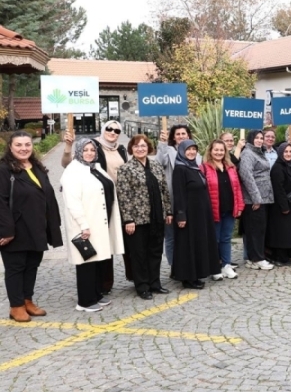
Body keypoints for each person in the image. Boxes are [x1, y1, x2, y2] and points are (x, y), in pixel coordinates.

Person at [0, 132, 63, 321]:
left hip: (37, 227)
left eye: (27, 144)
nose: (24, 148)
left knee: (32, 266)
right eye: (18, 145)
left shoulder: (36, 166)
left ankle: (27, 300)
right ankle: (16, 306)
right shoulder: (4, 169)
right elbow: (0, 201)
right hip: (15, 229)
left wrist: (52, 224)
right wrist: (6, 230)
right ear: (10, 147)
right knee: (16, 268)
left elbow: (47, 195)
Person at [62, 120, 128, 293]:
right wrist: (68, 147)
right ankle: (90, 295)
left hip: (111, 206)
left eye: (116, 130)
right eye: (109, 128)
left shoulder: (113, 155)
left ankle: (101, 288)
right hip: (91, 211)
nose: (113, 132)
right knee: (90, 254)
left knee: (105, 247)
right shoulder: (78, 166)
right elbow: (68, 165)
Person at [117, 135, 174, 300]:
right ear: (131, 149)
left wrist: (168, 212)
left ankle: (155, 283)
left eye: (143, 146)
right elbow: (124, 196)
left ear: (148, 148)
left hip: (157, 217)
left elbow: (164, 191)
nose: (140, 149)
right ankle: (142, 286)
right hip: (137, 220)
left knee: (155, 252)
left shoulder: (156, 166)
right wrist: (128, 220)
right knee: (139, 254)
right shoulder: (126, 169)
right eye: (136, 146)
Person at [171, 140, 219, 289]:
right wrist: (181, 215)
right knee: (188, 245)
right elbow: (178, 194)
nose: (191, 152)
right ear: (182, 151)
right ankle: (188, 278)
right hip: (188, 214)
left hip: (200, 214)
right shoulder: (180, 169)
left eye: (194, 149)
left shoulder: (194, 167)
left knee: (197, 244)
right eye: (188, 150)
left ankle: (196, 274)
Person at [200, 139, 244, 279]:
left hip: (229, 208)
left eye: (221, 150)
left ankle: (226, 265)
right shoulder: (204, 167)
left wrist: (240, 206)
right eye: (216, 150)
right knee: (215, 239)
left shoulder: (230, 167)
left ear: (225, 152)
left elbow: (237, 188)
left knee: (226, 238)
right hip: (214, 210)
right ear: (210, 151)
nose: (219, 152)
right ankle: (215, 267)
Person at [156, 123, 193, 266]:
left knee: (188, 236)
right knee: (171, 237)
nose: (181, 136)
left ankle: (188, 265)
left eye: (183, 134)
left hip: (190, 201)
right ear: (173, 137)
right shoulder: (169, 151)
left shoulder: (195, 154)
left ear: (188, 135)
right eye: (177, 134)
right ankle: (174, 266)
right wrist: (162, 144)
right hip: (171, 201)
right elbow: (159, 163)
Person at [239, 130, 275, 271]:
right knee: (255, 231)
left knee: (259, 230)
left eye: (261, 138)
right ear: (251, 139)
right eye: (257, 138)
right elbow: (246, 176)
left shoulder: (258, 152)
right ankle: (257, 259)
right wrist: (256, 198)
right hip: (254, 200)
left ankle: (253, 258)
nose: (260, 140)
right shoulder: (248, 153)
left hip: (263, 198)